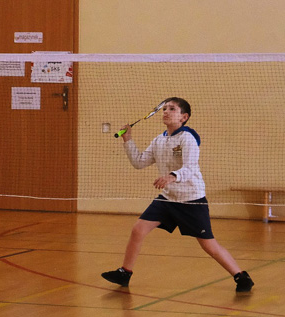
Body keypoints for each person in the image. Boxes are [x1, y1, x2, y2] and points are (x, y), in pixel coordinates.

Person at [101, 97, 254, 293]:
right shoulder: (159, 140)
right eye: (164, 108)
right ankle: (125, 272)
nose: (166, 112)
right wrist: (128, 140)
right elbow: (139, 162)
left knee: (209, 246)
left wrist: (172, 176)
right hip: (168, 198)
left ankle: (241, 277)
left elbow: (191, 167)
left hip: (191, 200)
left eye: (172, 109)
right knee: (138, 229)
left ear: (184, 117)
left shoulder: (188, 138)